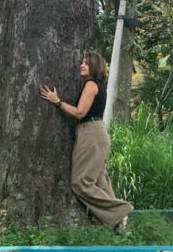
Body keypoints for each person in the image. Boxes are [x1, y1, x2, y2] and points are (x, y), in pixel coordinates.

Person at [39, 52, 132, 233]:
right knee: (99, 181)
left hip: (91, 133)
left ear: (95, 67)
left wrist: (57, 101)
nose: (81, 65)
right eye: (82, 62)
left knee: (80, 182)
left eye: (86, 64)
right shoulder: (99, 85)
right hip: (96, 132)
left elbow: (80, 112)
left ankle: (121, 210)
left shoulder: (90, 85)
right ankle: (118, 227)